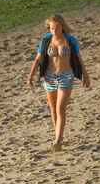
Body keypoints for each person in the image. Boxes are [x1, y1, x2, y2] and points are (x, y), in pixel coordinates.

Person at [27, 15, 90, 151]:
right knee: (53, 109)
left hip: (66, 76)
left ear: (62, 26)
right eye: (52, 28)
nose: (54, 31)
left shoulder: (70, 40)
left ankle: (58, 140)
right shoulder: (45, 40)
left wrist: (86, 76)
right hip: (49, 77)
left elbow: (79, 59)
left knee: (60, 108)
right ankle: (57, 137)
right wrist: (31, 76)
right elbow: (38, 59)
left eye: (57, 28)